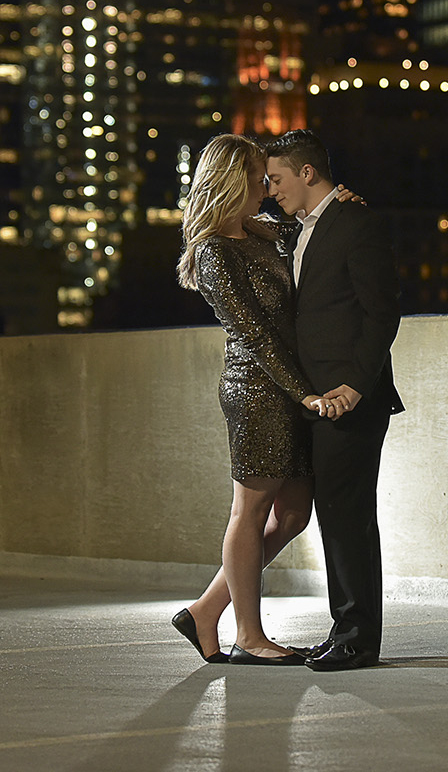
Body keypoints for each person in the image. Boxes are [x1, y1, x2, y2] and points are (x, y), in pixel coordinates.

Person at [172, 133, 343, 667]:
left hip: (288, 387)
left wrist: (340, 199)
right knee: (251, 510)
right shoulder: (214, 251)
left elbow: (311, 222)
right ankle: (248, 634)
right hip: (256, 390)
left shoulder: (262, 233)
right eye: (256, 180)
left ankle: (205, 610)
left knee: (292, 514)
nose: (266, 189)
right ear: (230, 184)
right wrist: (307, 393)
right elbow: (255, 334)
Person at [265, 129, 403, 671]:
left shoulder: (356, 223)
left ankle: (358, 637)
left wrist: (356, 385)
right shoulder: (295, 231)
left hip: (350, 399)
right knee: (332, 515)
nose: (270, 189)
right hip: (314, 400)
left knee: (348, 517)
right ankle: (344, 626)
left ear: (307, 173)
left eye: (276, 179)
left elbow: (381, 313)